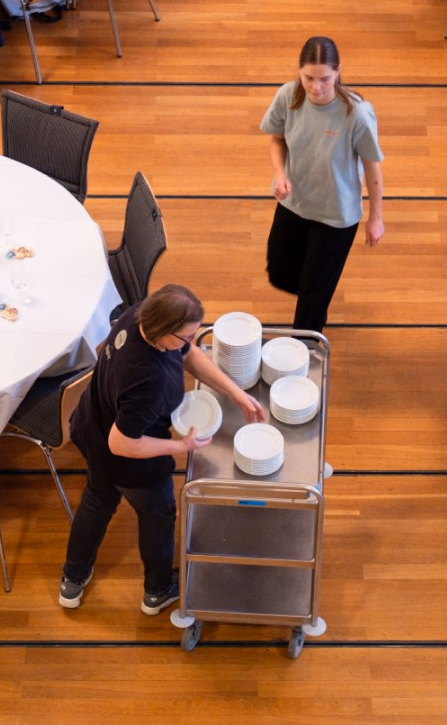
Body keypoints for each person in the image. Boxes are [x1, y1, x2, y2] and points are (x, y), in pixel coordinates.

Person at [59, 285, 267, 613]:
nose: (190, 341)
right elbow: (122, 443)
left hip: (92, 427)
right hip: (128, 459)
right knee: (158, 516)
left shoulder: (141, 315)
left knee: (97, 501)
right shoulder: (148, 381)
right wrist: (180, 445)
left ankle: (72, 579)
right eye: (185, 336)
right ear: (163, 332)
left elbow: (189, 354)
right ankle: (157, 591)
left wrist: (235, 392)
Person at [261, 35, 384, 330]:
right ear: (299, 71)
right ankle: (313, 288)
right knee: (278, 272)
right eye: (309, 78)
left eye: (325, 79)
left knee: (312, 302)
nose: (316, 87)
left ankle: (305, 352)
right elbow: (277, 140)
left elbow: (372, 169)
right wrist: (280, 172)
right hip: (295, 204)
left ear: (338, 71)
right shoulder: (288, 96)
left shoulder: (357, 114)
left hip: (336, 217)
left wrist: (375, 218)